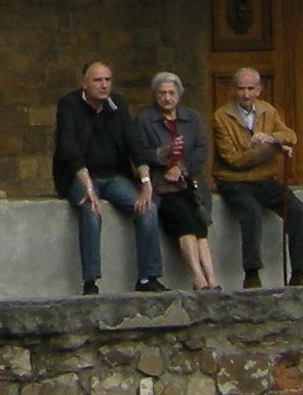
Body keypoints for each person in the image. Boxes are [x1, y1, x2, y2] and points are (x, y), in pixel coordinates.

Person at [51, 60, 164, 294]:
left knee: (148, 208)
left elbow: (134, 143)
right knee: (91, 210)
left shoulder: (117, 105)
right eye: (97, 80)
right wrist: (88, 186)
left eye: (107, 80)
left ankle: (147, 277)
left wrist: (145, 182)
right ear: (84, 83)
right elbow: (69, 149)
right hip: (79, 176)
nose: (104, 86)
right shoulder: (69, 105)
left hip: (113, 175)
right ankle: (90, 281)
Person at [209, 67, 303, 289]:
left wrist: (271, 138)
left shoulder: (268, 111)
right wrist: (269, 149)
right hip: (234, 180)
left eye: (250, 89)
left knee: (296, 209)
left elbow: (290, 135)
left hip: (264, 178)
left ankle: (299, 272)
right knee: (251, 212)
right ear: (233, 90)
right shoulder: (221, 116)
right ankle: (252, 273)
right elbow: (233, 159)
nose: (245, 94)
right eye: (240, 89)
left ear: (259, 90)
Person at [143, 70, 221, 292]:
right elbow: (141, 153)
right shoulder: (146, 120)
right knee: (185, 221)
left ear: (179, 94)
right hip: (164, 187)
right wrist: (164, 156)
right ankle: (198, 278)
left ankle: (212, 279)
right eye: (162, 93)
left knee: (200, 224)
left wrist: (181, 167)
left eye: (171, 93)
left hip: (191, 184)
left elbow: (201, 150)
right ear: (155, 95)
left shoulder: (192, 118)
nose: (167, 98)